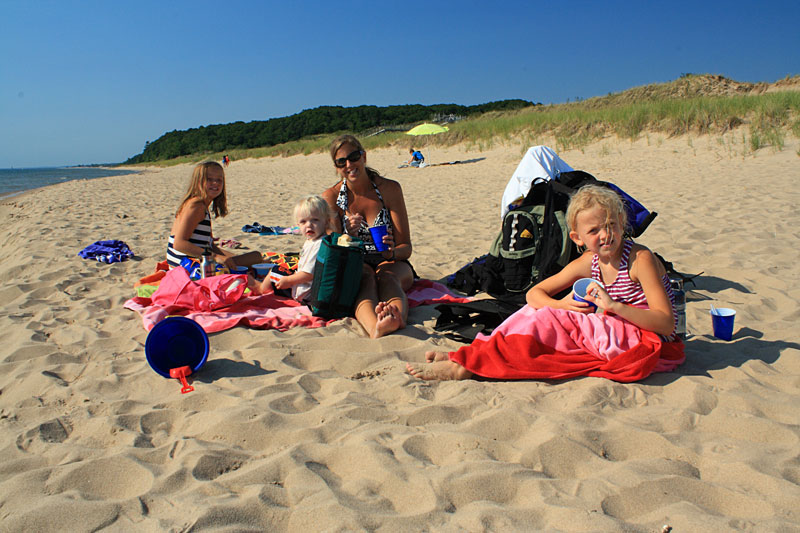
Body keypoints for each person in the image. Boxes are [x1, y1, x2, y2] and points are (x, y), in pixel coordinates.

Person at [407, 185, 679, 381]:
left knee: (546, 321)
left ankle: (465, 366)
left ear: (622, 223)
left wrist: (613, 306)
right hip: (614, 330)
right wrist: (562, 305)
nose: (605, 235)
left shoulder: (639, 259)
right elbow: (535, 294)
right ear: (577, 238)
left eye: (611, 225)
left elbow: (666, 323)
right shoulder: (590, 261)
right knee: (532, 312)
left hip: (648, 339)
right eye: (594, 230)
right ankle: (472, 354)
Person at [321, 135, 414, 338]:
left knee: (387, 277)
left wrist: (391, 252)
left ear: (363, 157)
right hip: (355, 261)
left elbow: (406, 247)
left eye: (353, 157)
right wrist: (347, 235)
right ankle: (375, 327)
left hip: (390, 260)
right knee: (366, 278)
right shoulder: (332, 197)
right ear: (336, 167)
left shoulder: (389, 189)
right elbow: (333, 249)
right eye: (341, 161)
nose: (349, 164)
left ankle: (397, 318)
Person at [167, 161, 262, 271]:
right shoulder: (196, 206)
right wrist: (217, 257)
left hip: (187, 263)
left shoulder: (200, 205)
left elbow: (210, 246)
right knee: (256, 257)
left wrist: (228, 257)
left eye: (219, 180)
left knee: (252, 259)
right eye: (209, 179)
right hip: (188, 266)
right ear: (198, 181)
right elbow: (179, 244)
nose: (215, 183)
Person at [252, 195, 331, 302]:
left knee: (274, 271)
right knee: (284, 269)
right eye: (303, 222)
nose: (309, 225)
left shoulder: (319, 244)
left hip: (305, 293)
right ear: (298, 225)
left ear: (326, 221)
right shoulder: (313, 240)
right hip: (306, 287)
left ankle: (261, 289)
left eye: (315, 220)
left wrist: (289, 280)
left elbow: (309, 274)